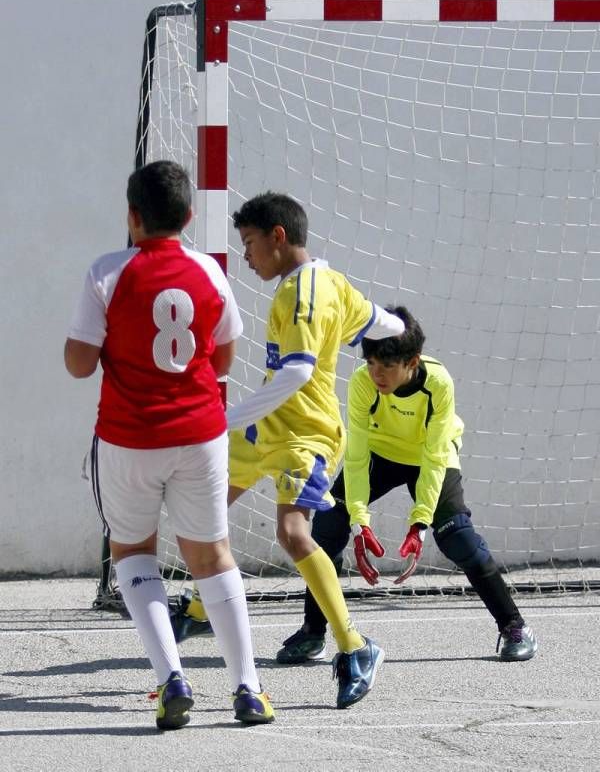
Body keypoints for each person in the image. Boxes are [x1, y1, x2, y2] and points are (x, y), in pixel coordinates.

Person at [172, 191, 405, 709]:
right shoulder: (334, 282)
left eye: (251, 244)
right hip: (265, 433)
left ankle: (356, 646)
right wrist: (402, 333)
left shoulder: (299, 293)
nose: (248, 256)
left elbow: (299, 371)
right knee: (203, 507)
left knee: (292, 531)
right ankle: (199, 612)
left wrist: (225, 417)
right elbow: (384, 323)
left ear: (278, 237)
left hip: (307, 436)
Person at [64, 160, 274, 730]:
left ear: (131, 216)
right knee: (212, 556)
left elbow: (79, 365)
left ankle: (171, 678)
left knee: (133, 553)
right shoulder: (209, 271)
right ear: (188, 215)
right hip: (201, 435)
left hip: (130, 438)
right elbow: (225, 357)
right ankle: (248, 689)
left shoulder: (106, 273)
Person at [276, 305, 538, 665]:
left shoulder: (438, 384)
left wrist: (420, 522)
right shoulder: (363, 384)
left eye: (386, 365)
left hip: (430, 456)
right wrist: (360, 521)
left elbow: (434, 457)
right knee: (327, 525)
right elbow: (356, 456)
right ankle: (313, 632)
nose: (376, 373)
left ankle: (514, 626)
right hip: (381, 454)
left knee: (457, 536)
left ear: (412, 361)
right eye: (370, 362)